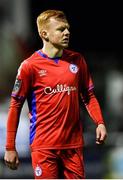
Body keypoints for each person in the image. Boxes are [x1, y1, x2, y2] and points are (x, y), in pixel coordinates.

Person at [4, 9, 107, 179]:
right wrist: (9, 147)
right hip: (44, 147)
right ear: (45, 34)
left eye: (67, 28)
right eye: (60, 29)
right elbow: (15, 106)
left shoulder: (77, 60)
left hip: (73, 147)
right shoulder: (29, 66)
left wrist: (100, 122)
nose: (67, 32)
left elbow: (88, 96)